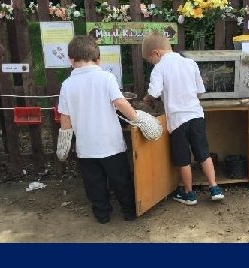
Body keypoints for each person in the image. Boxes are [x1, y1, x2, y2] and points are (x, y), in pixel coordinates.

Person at [57, 35, 138, 223]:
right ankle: (129, 211)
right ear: (98, 59)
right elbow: (119, 102)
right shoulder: (106, 77)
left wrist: (64, 143)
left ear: (71, 60)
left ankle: (102, 214)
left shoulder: (67, 85)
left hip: (86, 148)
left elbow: (65, 118)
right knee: (121, 180)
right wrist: (137, 118)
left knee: (94, 183)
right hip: (111, 145)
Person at [141, 32, 224, 204]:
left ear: (156, 53)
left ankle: (189, 193)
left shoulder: (159, 68)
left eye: (150, 60)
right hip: (196, 115)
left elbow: (154, 92)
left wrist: (148, 98)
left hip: (177, 121)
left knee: (183, 159)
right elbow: (200, 90)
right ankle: (214, 187)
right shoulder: (190, 63)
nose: (152, 63)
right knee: (203, 154)